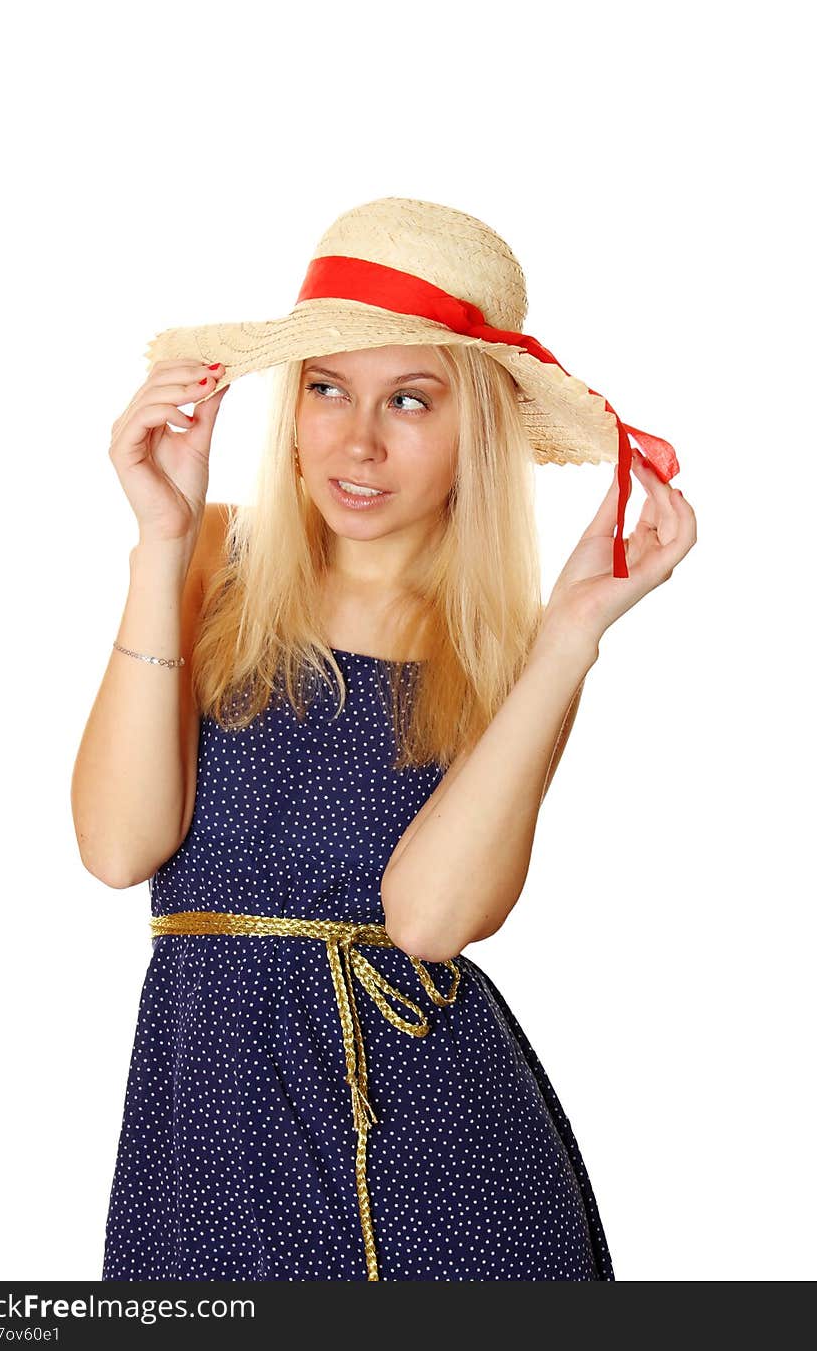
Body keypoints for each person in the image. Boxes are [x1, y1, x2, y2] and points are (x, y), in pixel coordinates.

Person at [72, 197, 696, 1282]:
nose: (356, 442)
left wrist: (568, 641)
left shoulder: (507, 655)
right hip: (206, 1136)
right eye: (327, 390)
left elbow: (430, 919)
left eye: (410, 400)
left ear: (480, 432)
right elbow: (120, 847)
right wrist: (158, 546)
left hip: (434, 1160)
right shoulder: (207, 556)